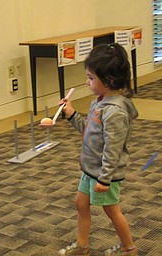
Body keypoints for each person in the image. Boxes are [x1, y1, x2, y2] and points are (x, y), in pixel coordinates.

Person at [57, 43, 138, 256]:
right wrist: (72, 114)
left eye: (91, 78)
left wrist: (105, 178)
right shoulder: (99, 102)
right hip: (91, 169)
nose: (87, 82)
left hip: (103, 173)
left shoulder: (115, 113)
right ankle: (83, 247)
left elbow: (113, 149)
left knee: (111, 210)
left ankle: (129, 248)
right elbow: (88, 133)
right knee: (80, 204)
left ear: (109, 80)